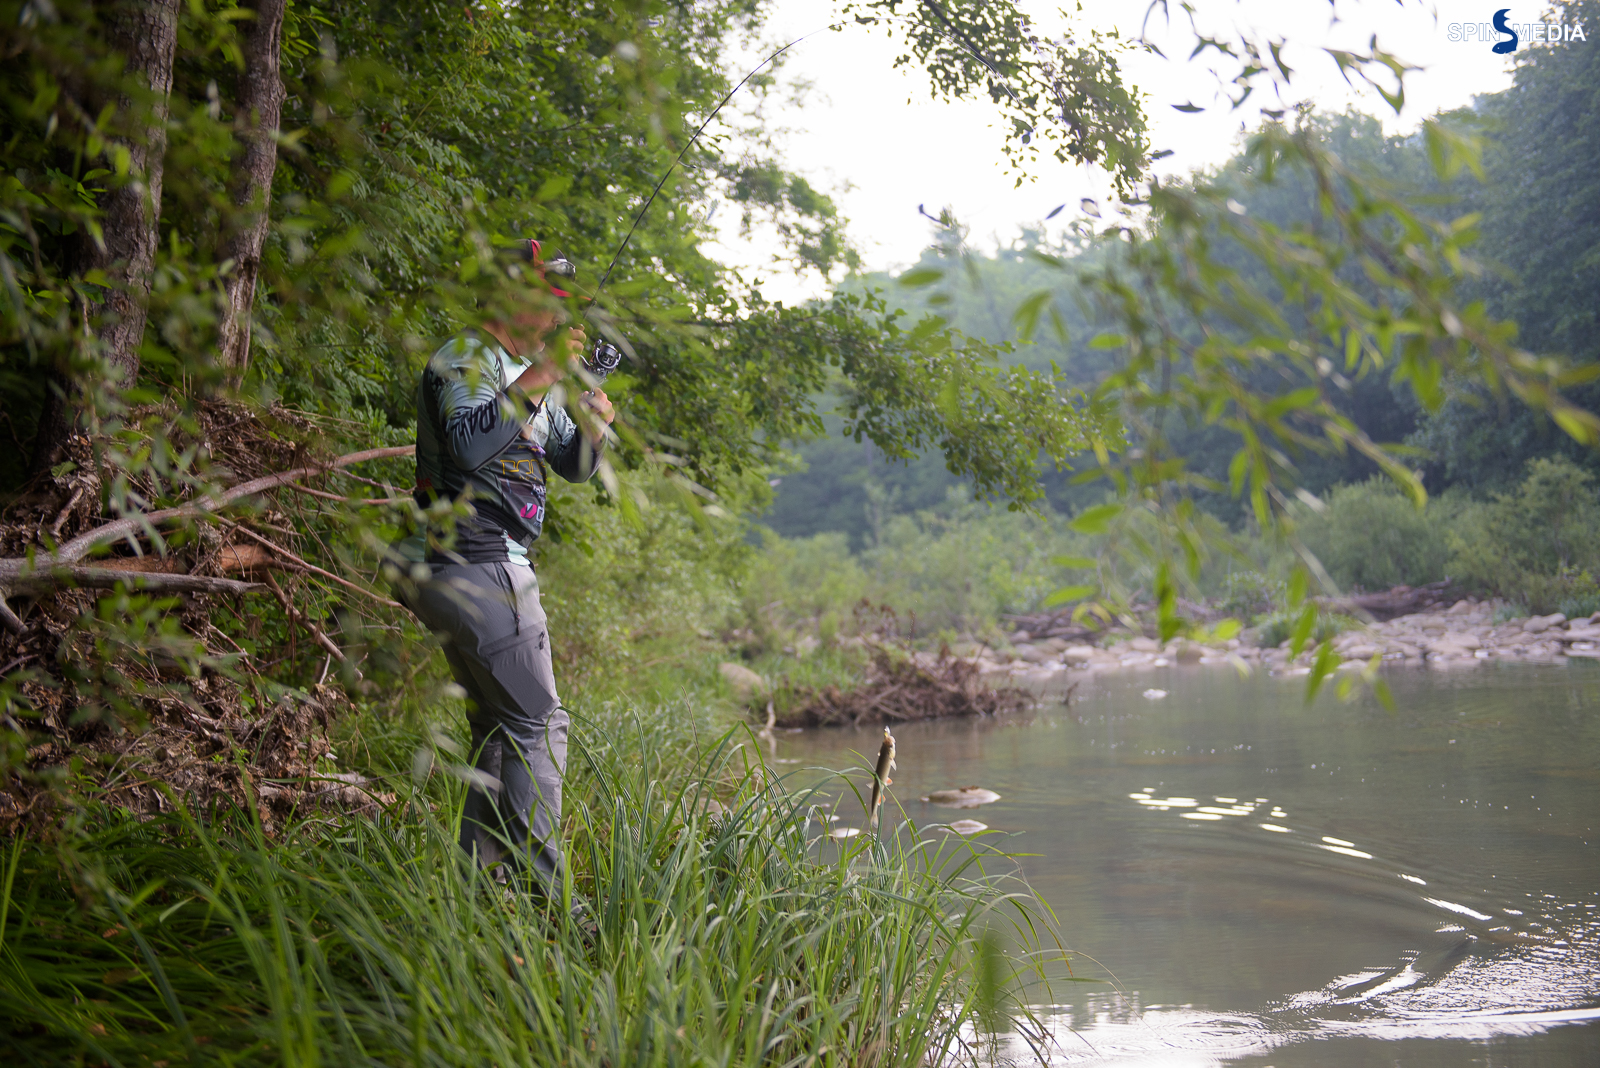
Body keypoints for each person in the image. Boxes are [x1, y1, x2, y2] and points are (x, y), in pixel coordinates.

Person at [399, 239, 614, 898]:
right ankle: (546, 900)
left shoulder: (525, 373)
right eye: (544, 300)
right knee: (539, 725)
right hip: (476, 559)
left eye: (561, 305)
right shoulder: (465, 359)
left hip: (471, 564)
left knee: (500, 731)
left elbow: (573, 467)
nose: (557, 316)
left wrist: (595, 425)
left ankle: (477, 894)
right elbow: (468, 448)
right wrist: (546, 373)